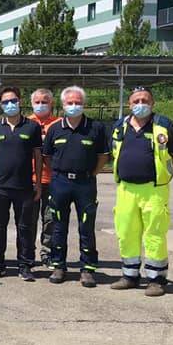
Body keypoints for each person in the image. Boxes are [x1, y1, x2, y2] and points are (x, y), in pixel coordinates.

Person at [108, 86, 173, 297]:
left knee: (154, 234)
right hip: (125, 189)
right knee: (126, 233)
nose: (140, 104)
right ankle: (129, 275)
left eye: (145, 100)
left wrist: (164, 174)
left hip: (154, 190)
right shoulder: (119, 126)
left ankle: (156, 279)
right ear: (129, 104)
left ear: (153, 103)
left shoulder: (164, 125)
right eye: (136, 101)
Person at [42, 86, 109, 287]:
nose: (74, 106)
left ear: (83, 104)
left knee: (86, 227)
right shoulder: (55, 128)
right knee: (58, 226)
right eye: (70, 103)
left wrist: (92, 173)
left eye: (77, 102)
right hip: (60, 182)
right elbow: (46, 157)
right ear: (63, 106)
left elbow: (103, 156)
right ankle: (58, 265)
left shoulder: (95, 128)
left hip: (85, 183)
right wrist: (58, 172)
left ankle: (87, 269)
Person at [0, 87, 43, 281]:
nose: (10, 104)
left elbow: (38, 156)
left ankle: (25, 265)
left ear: (20, 101)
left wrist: (39, 183)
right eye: (6, 101)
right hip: (0, 187)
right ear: (1, 104)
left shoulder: (32, 127)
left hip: (24, 187)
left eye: (13, 100)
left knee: (25, 227)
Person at [28, 88, 60, 267]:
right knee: (29, 219)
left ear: (51, 103)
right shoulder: (25, 123)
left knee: (50, 220)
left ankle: (47, 253)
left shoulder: (59, 124)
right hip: (30, 180)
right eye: (37, 102)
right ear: (32, 103)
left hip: (53, 180)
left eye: (45, 101)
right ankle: (28, 253)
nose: (41, 105)